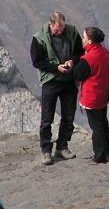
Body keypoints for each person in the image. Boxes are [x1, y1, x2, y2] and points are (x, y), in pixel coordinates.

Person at [30, 11, 84, 165]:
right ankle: (46, 150)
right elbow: (37, 61)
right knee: (47, 118)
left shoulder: (72, 32)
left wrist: (72, 62)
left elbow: (80, 52)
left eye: (61, 29)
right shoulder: (39, 38)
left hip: (69, 80)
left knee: (68, 115)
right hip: (51, 81)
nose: (59, 32)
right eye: (56, 30)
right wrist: (56, 67)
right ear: (51, 24)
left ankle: (62, 146)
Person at [65, 26, 109, 163]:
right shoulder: (105, 53)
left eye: (84, 37)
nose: (82, 39)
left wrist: (72, 65)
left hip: (92, 96)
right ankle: (107, 151)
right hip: (103, 93)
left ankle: (100, 156)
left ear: (90, 41)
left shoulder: (89, 58)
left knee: (96, 126)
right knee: (103, 123)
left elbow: (78, 74)